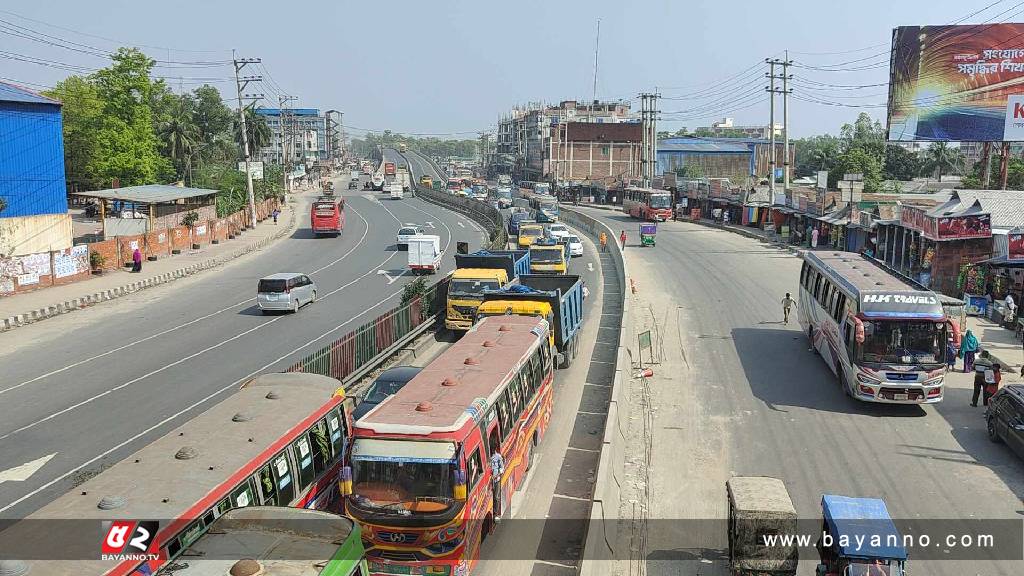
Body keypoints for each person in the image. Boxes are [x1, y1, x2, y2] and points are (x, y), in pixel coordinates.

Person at [489, 449, 505, 522]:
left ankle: (496, 515)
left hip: (496, 480)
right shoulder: (489, 456)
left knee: (496, 497)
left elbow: (502, 469)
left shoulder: (498, 457)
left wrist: (496, 476)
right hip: (490, 481)